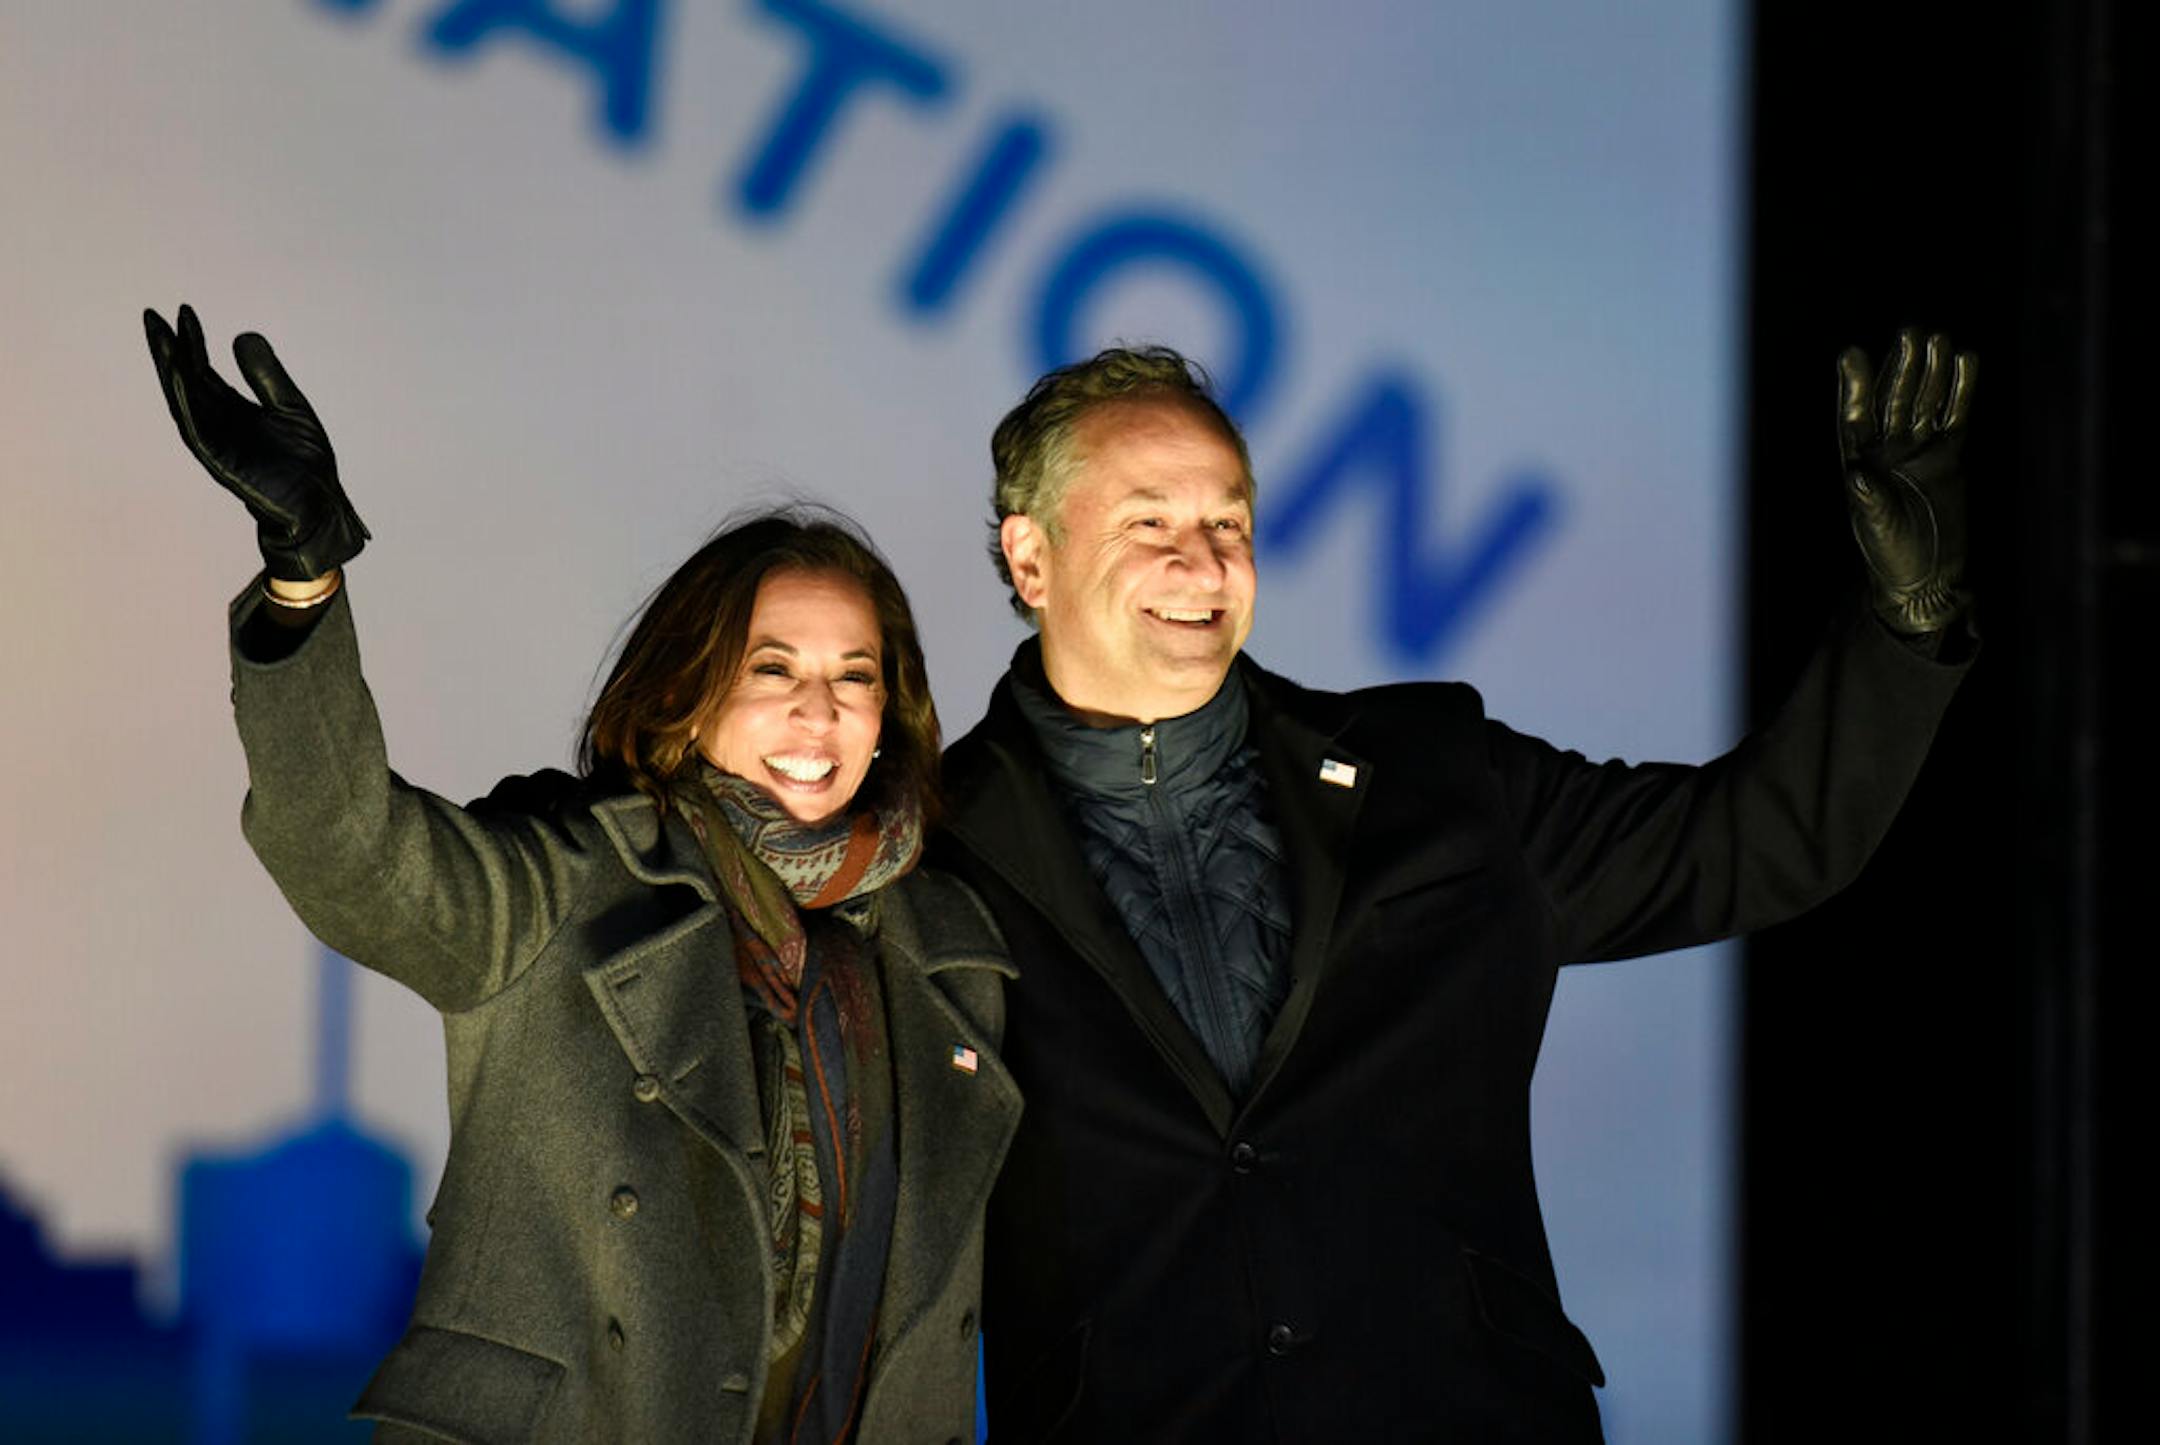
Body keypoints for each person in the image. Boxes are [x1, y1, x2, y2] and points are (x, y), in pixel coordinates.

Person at [931, 337, 1976, 1440]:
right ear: (1030, 555)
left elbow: (1765, 837)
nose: (1205, 563)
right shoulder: (929, 848)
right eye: (1151, 523)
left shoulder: (1436, 771)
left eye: (1229, 523)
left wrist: (1907, 618)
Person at [143, 304, 1018, 1444]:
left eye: (856, 673)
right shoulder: (564, 877)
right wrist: (303, 578)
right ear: (687, 694)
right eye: (772, 668)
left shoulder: (946, 941)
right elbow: (344, 846)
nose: (820, 707)